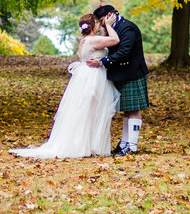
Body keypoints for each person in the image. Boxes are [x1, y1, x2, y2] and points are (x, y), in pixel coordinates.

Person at [10, 12, 120, 159]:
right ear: (92, 26)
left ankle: (87, 143)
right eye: (98, 23)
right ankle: (83, 145)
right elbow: (115, 40)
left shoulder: (84, 40)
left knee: (87, 110)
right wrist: (109, 25)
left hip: (86, 76)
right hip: (92, 77)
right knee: (90, 110)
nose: (100, 24)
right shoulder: (92, 41)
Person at [87, 4, 149, 156]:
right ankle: (124, 143)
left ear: (109, 15)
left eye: (101, 20)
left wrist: (102, 62)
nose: (101, 24)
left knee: (134, 110)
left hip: (132, 73)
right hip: (121, 74)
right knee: (127, 111)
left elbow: (124, 52)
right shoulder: (111, 29)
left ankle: (132, 146)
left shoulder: (128, 28)